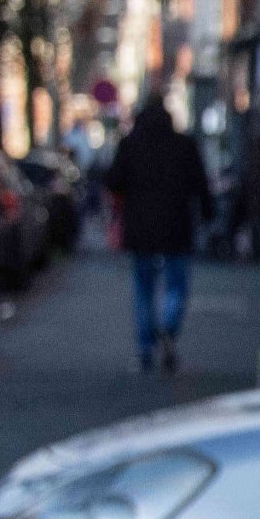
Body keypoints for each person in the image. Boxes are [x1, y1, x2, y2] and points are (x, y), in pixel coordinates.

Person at [103, 98, 214, 373]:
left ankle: (145, 349)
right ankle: (168, 326)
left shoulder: (130, 145)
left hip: (140, 230)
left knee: (143, 290)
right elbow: (200, 183)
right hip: (176, 228)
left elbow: (113, 181)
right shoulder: (184, 145)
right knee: (177, 285)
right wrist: (208, 213)